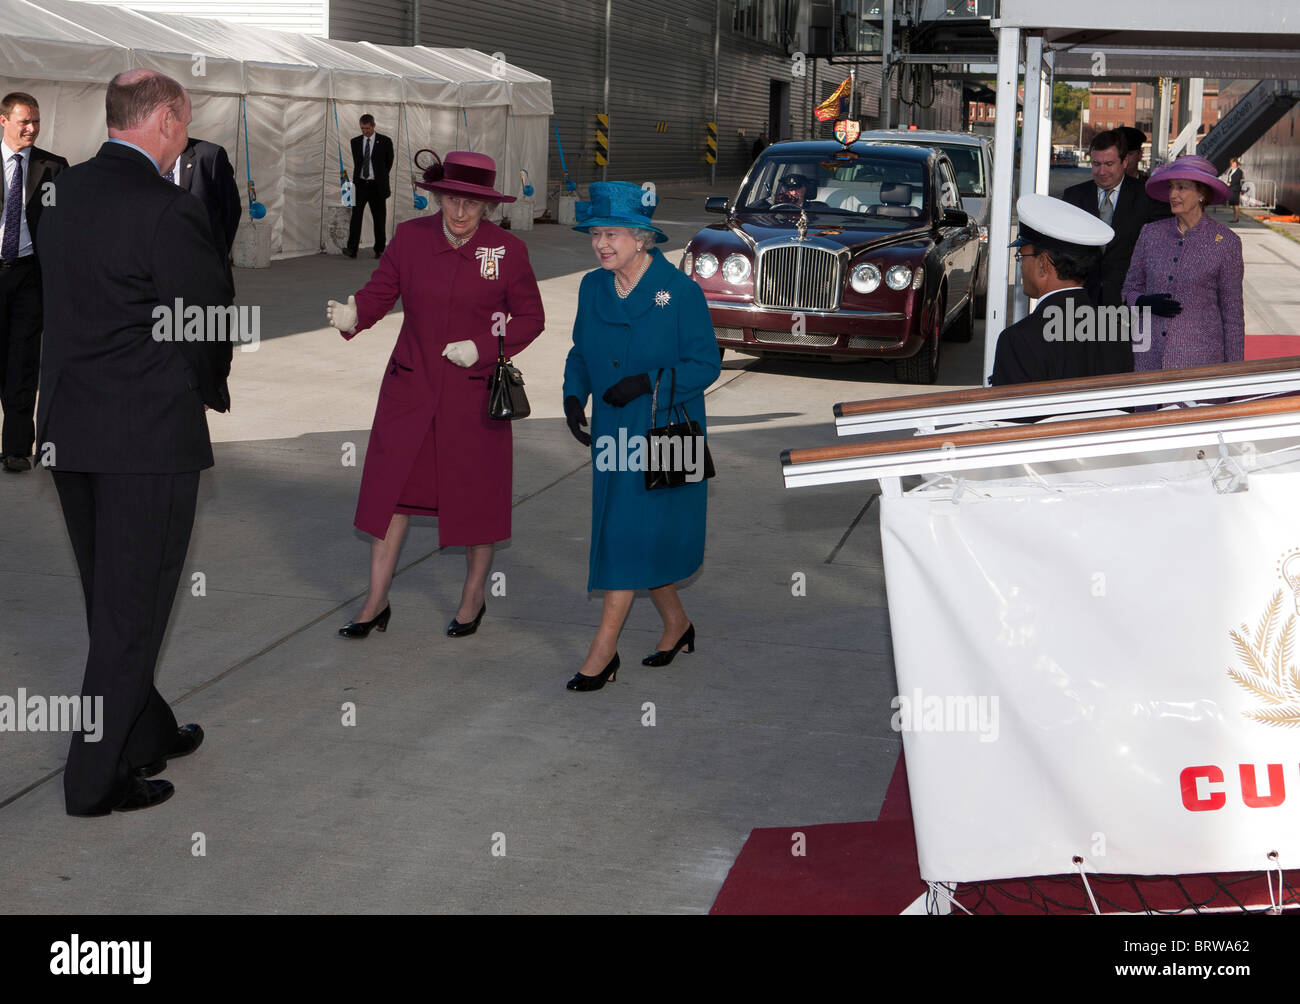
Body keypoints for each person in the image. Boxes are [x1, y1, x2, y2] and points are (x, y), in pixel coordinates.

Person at [37, 69, 233, 815]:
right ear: (164, 121)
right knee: (132, 610)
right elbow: (205, 322)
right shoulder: (168, 208)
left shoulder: (58, 195)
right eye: (182, 121)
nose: (184, 132)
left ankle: (144, 726)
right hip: (143, 440)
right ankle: (94, 781)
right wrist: (205, 390)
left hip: (69, 432)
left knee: (112, 600)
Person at [327, 152, 543, 640]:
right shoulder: (411, 237)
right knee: (391, 492)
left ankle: (472, 597)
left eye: (471, 203)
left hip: (472, 396)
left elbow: (531, 318)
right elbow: (382, 292)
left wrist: (485, 347)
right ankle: (375, 600)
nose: (460, 212)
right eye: (451, 200)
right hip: (411, 387)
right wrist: (354, 315)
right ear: (438, 195)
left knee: (476, 498)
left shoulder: (507, 251)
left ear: (487, 204)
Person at [561, 181, 721, 692]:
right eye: (596, 234)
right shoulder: (592, 287)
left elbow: (706, 363)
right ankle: (676, 624)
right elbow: (580, 351)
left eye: (612, 234)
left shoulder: (680, 292)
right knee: (634, 533)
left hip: (667, 430)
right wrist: (572, 393)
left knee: (624, 534)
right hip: (613, 432)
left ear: (641, 239)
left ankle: (602, 654)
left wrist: (649, 382)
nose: (602, 243)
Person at [991, 194, 1132, 386]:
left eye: (1022, 257)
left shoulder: (1019, 339)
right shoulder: (1115, 331)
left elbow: (1011, 416)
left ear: (1042, 264)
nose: (1022, 266)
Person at [1122, 154, 1244, 372]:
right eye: (1171, 187)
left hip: (1201, 363)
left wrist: (1234, 376)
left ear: (1201, 194)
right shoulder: (1150, 233)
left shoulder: (1226, 243)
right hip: (1149, 357)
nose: (1173, 194)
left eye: (1181, 187)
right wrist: (1142, 301)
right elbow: (1129, 290)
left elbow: (1232, 316)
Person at [0, 92, 68, 473]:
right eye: (24, 121)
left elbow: (62, 223)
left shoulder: (53, 169)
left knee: (23, 362)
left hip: (30, 274)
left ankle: (16, 449)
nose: (31, 128)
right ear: (3, 121)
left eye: (36, 122)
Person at [1062, 129, 1170, 307]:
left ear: (1125, 161)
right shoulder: (1073, 197)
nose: (1102, 171)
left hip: (1129, 305)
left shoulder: (1147, 197)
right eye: (1096, 164)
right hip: (1081, 304)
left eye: (1109, 164)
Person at [170, 136, 241, 281]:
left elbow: (230, 211)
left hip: (203, 271)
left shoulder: (209, 156)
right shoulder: (140, 159)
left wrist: (215, 252)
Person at [345, 114, 394, 259]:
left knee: (379, 218)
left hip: (377, 186)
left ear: (373, 126)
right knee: (356, 218)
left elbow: (388, 163)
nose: (364, 131)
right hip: (360, 185)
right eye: (362, 128)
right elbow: (358, 162)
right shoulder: (355, 142)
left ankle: (379, 248)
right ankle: (352, 249)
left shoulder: (385, 141)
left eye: (367, 128)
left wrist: (378, 177)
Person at [1227, 157, 1245, 223]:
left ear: (1237, 164)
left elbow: (1237, 180)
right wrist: (1228, 183)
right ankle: (1235, 217)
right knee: (1233, 204)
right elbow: (1229, 178)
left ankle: (1236, 218)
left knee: (1236, 204)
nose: (1233, 165)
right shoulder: (1231, 170)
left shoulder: (1239, 171)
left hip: (1236, 189)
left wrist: (1230, 184)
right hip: (1231, 188)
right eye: (1232, 163)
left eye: (1235, 163)